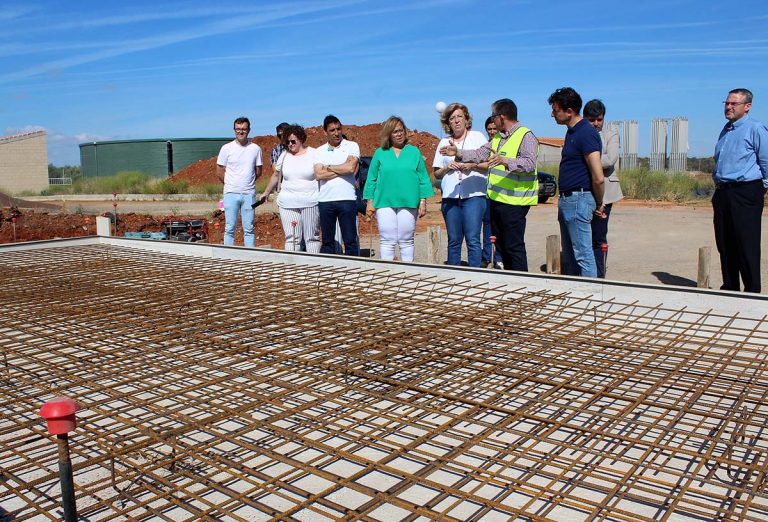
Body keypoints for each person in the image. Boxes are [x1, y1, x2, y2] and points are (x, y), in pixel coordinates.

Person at [440, 98, 538, 272]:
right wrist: (458, 152)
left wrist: (505, 160)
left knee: (514, 246)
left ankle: (521, 282)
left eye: (493, 116)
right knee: (502, 245)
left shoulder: (526, 135)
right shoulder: (499, 137)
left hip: (516, 203)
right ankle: (509, 279)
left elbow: (529, 164)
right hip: (498, 200)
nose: (492, 120)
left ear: (502, 117)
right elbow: (480, 154)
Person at [712, 88, 768, 293]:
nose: (728, 107)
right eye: (726, 103)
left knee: (746, 243)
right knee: (725, 242)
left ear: (747, 106)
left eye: (733, 103)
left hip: (745, 191)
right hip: (723, 192)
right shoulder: (726, 130)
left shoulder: (756, 128)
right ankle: (730, 287)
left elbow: (766, 160)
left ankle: (752, 291)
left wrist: (761, 187)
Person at [548, 87, 605, 277]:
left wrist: (599, 202)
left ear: (569, 111)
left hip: (579, 199)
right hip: (568, 200)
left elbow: (598, 177)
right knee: (571, 256)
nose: (552, 114)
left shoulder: (586, 133)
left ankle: (590, 293)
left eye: (555, 110)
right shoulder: (572, 132)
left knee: (583, 255)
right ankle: (575, 290)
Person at [363, 116, 434, 262]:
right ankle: (388, 272)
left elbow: (423, 177)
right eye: (395, 131)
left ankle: (408, 271)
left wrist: (423, 201)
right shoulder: (380, 152)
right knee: (387, 239)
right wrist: (369, 200)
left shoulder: (414, 152)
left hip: (409, 201)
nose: (399, 134)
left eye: (401, 130)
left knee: (406, 239)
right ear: (389, 134)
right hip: (384, 202)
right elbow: (371, 178)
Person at [432, 103, 488, 267]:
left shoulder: (477, 137)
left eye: (459, 117)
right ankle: (454, 275)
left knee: (473, 239)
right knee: (454, 240)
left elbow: (488, 165)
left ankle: (475, 275)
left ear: (466, 119)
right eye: (452, 118)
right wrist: (447, 167)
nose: (456, 121)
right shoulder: (443, 142)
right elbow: (436, 174)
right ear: (447, 122)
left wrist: (473, 166)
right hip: (450, 198)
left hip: (473, 196)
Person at [259, 124, 321, 253]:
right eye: (287, 142)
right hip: (288, 203)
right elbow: (276, 175)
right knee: (292, 238)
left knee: (311, 238)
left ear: (301, 139)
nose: (290, 145)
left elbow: (321, 174)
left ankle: (312, 264)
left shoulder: (314, 154)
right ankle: (292, 264)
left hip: (310, 202)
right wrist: (266, 192)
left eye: (293, 141)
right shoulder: (284, 155)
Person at [584, 99, 623, 278]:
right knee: (584, 236)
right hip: (584, 191)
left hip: (606, 193)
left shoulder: (611, 133)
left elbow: (611, 159)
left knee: (599, 235)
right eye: (592, 120)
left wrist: (586, 160)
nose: (596, 123)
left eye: (599, 119)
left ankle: (600, 276)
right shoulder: (579, 132)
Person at [314, 115, 361, 256]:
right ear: (325, 132)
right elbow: (318, 174)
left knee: (350, 240)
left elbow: (351, 168)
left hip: (347, 199)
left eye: (339, 129)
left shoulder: (351, 146)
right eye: (332, 130)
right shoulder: (319, 151)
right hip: (325, 200)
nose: (336, 133)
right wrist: (342, 169)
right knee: (327, 241)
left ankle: (353, 267)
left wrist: (328, 167)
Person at [216, 116, 263, 247]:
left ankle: (249, 255)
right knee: (229, 228)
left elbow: (258, 171)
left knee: (249, 229)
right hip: (230, 193)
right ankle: (229, 255)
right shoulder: (226, 148)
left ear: (249, 130)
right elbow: (219, 170)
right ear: (234, 130)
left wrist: (248, 182)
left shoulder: (255, 149)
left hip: (249, 195)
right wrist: (230, 183)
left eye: (243, 129)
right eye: (238, 129)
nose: (241, 131)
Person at [481, 116, 503, 269]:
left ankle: (499, 258)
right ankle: (486, 256)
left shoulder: (504, 145)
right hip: (486, 193)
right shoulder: (484, 148)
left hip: (501, 192)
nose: (492, 131)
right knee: (487, 224)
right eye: (489, 129)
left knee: (500, 226)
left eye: (495, 128)